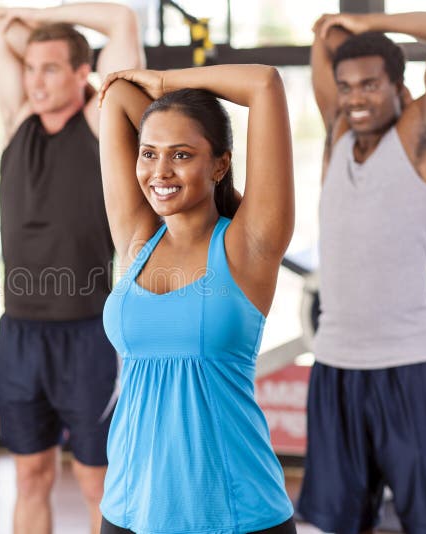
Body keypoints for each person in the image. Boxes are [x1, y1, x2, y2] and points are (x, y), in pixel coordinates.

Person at [95, 62, 297, 533]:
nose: (160, 171)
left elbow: (264, 83)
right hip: (128, 508)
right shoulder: (137, 240)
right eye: (149, 153)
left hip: (233, 513)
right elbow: (119, 94)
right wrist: (169, 115)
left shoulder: (248, 247)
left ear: (220, 163)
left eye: (182, 155)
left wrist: (167, 83)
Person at [299, 12, 426, 534]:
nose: (355, 98)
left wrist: (370, 21)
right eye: (347, 85)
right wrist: (338, 31)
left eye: (371, 85)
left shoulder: (423, 134)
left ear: (400, 86)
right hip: (334, 368)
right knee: (338, 525)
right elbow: (325, 34)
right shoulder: (337, 133)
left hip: (409, 368)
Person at [0, 4, 144, 534]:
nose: (35, 81)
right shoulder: (17, 124)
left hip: (88, 334)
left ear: (84, 73)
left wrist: (39, 14)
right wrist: (34, 36)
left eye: (51, 68)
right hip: (19, 334)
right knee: (30, 474)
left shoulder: (102, 123)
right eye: (29, 68)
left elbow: (122, 21)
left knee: (97, 481)